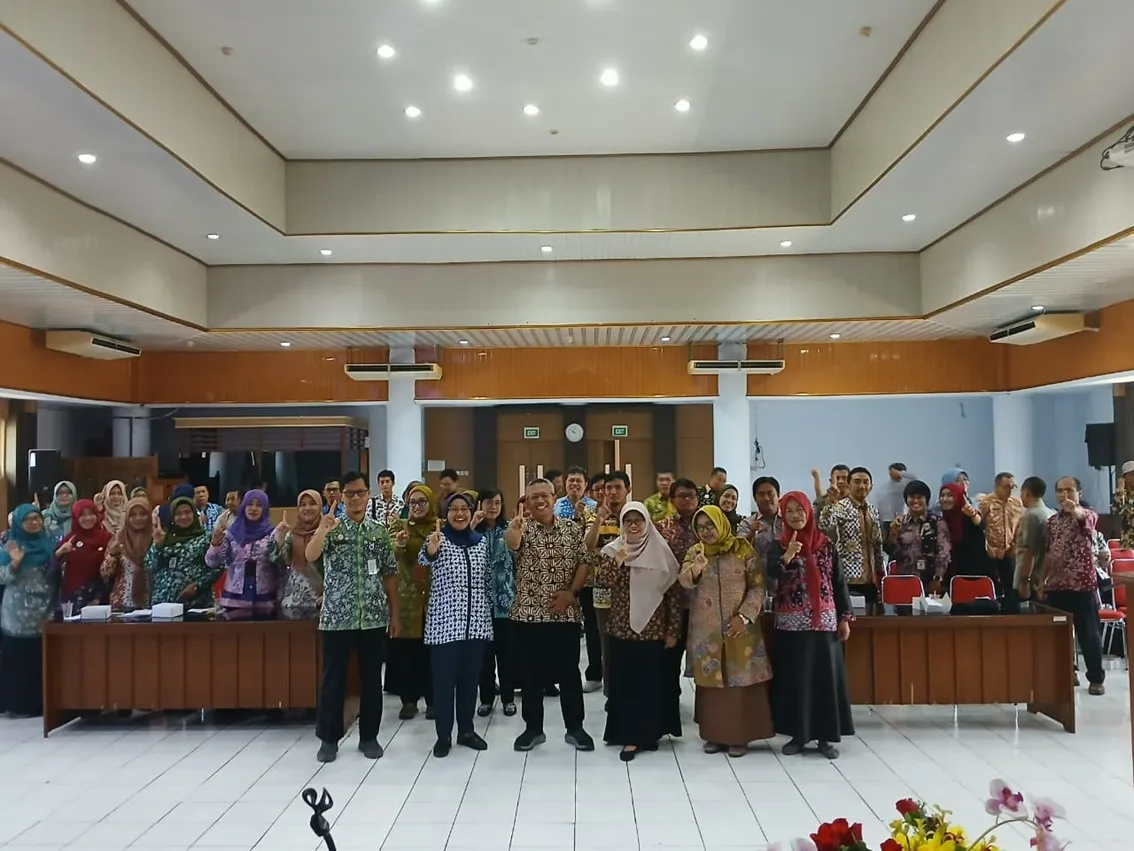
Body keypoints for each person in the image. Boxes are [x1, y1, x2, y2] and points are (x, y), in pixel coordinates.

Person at [307, 471, 399, 762]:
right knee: (333, 679)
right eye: (350, 494)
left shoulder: (378, 531)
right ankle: (328, 739)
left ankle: (369, 737)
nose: (356, 498)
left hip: (372, 616)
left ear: (368, 494)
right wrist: (322, 530)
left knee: (372, 680)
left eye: (360, 492)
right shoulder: (331, 527)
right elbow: (310, 555)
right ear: (341, 496)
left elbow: (389, 573)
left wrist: (395, 614)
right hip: (337, 617)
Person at [505, 478, 594, 752]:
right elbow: (512, 544)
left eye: (545, 495)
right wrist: (514, 530)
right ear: (527, 501)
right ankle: (533, 729)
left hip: (564, 615)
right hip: (528, 615)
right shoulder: (521, 527)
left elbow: (584, 561)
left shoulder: (571, 528)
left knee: (569, 674)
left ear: (554, 499)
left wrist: (572, 593)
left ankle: (575, 728)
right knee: (530, 676)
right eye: (534, 497)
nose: (540, 500)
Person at [678, 505, 773, 757]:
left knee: (739, 684)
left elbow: (757, 586)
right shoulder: (696, 552)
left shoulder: (742, 549)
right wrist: (696, 569)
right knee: (712, 686)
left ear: (721, 523)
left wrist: (744, 616)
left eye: (710, 525)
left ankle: (739, 737)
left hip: (739, 629)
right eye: (700, 527)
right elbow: (684, 581)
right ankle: (714, 735)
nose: (706, 531)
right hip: (706, 633)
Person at [766, 492, 855, 759]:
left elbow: (838, 582)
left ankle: (825, 737)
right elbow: (769, 580)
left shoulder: (826, 544)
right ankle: (799, 735)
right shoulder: (778, 545)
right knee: (797, 680)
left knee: (824, 679)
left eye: (800, 510)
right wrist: (787, 557)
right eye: (789, 510)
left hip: (824, 623)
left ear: (808, 511)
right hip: (791, 625)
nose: (795, 515)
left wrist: (845, 617)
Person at [596, 502, 682, 761]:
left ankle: (650, 733)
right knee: (625, 685)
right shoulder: (612, 550)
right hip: (621, 629)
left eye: (638, 520)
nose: (633, 525)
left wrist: (673, 630)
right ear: (622, 524)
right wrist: (618, 561)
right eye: (628, 521)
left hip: (654, 630)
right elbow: (603, 582)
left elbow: (673, 594)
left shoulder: (661, 551)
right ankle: (629, 735)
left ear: (647, 522)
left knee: (651, 685)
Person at [419, 493, 493, 757]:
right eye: (453, 509)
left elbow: (487, 579)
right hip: (444, 626)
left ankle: (466, 731)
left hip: (476, 624)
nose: (459, 514)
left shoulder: (480, 542)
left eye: (464, 509)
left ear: (471, 512)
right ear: (446, 513)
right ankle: (443, 736)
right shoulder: (438, 539)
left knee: (469, 681)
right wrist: (432, 548)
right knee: (443, 683)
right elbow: (424, 558)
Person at [1039, 476, 1105, 696]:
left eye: (1069, 490)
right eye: (1060, 490)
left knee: (1090, 636)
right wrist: (1041, 580)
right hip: (1056, 586)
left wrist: (1073, 508)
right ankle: (1068, 672)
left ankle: (1096, 679)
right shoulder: (1052, 521)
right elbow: (1049, 553)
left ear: (1079, 493)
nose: (1064, 495)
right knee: (1059, 636)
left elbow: (1082, 517)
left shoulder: (1088, 515)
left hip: (1082, 586)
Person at [0, 504, 58, 717]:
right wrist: (15, 563)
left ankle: (40, 705)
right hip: (17, 613)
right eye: (28, 519)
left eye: (37, 518)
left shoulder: (47, 544)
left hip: (44, 610)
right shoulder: (11, 546)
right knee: (18, 660)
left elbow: (54, 573)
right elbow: (2, 577)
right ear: (18, 523)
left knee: (38, 660)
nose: (34, 523)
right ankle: (18, 705)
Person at [387, 484, 436, 720]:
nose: (417, 506)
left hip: (434, 597)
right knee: (407, 652)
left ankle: (434, 700)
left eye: (422, 502)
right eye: (413, 502)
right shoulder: (400, 526)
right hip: (407, 599)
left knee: (432, 652)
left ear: (430, 503)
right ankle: (408, 701)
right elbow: (389, 552)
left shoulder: (439, 526)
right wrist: (399, 544)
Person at [584, 470, 631, 698]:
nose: (612, 492)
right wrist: (598, 521)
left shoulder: (635, 514)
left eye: (617, 487)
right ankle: (610, 693)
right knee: (606, 641)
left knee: (630, 639)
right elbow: (588, 545)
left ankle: (629, 689)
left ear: (628, 490)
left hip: (630, 588)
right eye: (608, 488)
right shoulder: (594, 515)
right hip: (602, 587)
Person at [657, 477, 699, 712]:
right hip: (672, 604)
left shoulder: (707, 524)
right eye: (682, 496)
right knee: (669, 658)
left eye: (691, 495)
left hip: (703, 604)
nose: (687, 500)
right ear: (672, 500)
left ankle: (705, 709)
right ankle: (669, 706)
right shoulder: (661, 528)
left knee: (705, 658)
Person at [475, 489, 517, 717]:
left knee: (507, 655)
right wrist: (472, 526)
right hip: (480, 605)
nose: (493, 507)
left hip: (506, 603)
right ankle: (486, 699)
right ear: (479, 504)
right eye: (489, 502)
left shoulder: (509, 529)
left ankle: (508, 699)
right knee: (484, 657)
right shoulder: (473, 532)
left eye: (498, 503)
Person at [206, 489, 280, 619]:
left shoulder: (272, 534)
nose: (253, 508)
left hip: (265, 601)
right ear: (243, 506)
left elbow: (280, 564)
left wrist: (281, 541)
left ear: (265, 509)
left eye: (259, 505)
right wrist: (215, 544)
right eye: (249, 504)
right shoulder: (231, 535)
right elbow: (212, 562)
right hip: (234, 602)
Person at [819, 467, 884, 613]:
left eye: (866, 482)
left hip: (870, 579)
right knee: (848, 618)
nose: (862, 486)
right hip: (846, 578)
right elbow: (824, 525)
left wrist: (880, 572)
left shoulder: (873, 510)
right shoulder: (840, 507)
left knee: (873, 618)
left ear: (871, 486)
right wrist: (829, 503)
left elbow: (877, 543)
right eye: (857, 481)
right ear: (849, 485)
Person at [150, 496, 219, 608]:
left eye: (187, 512)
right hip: (163, 602)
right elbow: (149, 565)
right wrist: (157, 545)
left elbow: (217, 567)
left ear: (194, 514)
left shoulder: (206, 538)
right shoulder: (164, 538)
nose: (183, 517)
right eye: (178, 514)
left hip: (195, 602)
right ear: (172, 517)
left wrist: (198, 585)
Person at [884, 481, 950, 592]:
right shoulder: (899, 522)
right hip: (905, 581)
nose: (915, 501)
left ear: (926, 500)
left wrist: (937, 578)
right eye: (912, 497)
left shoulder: (937, 522)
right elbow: (891, 551)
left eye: (919, 497)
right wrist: (893, 534)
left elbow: (944, 553)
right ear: (906, 500)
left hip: (931, 582)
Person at [274, 489, 325, 620]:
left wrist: (328, 594)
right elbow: (281, 562)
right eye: (302, 505)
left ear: (320, 506)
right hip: (294, 602)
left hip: (322, 602)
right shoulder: (292, 534)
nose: (307, 508)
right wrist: (279, 538)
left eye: (312, 504)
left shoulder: (327, 533)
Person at [979, 473, 1024, 611]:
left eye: (1012, 487)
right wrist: (987, 546)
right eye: (1006, 487)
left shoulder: (1017, 503)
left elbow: (1019, 527)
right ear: (997, 486)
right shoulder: (985, 502)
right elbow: (980, 527)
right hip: (989, 552)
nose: (1009, 490)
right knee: (991, 588)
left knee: (1011, 588)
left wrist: (1014, 546)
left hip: (1009, 551)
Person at [55, 499, 111, 609]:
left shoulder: (106, 538)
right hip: (73, 598)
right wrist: (59, 553)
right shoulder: (70, 540)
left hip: (100, 597)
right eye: (82, 515)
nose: (88, 518)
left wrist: (99, 595)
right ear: (76, 517)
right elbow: (52, 568)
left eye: (91, 513)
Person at [100, 496, 153, 610]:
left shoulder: (157, 538)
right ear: (127, 517)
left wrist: (159, 546)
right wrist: (112, 555)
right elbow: (105, 574)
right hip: (121, 603)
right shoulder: (118, 539)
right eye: (132, 515)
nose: (138, 518)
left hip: (152, 603)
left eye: (143, 514)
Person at [1015, 476, 1055, 601]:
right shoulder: (1051, 512)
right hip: (1046, 574)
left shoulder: (1032, 515)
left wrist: (1024, 581)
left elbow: (1029, 551)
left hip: (1032, 577)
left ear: (1026, 492)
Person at [938, 482, 987, 580]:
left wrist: (973, 515)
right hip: (948, 575)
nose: (945, 499)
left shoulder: (968, 516)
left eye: (950, 495)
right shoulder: (939, 520)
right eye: (942, 495)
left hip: (973, 574)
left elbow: (982, 525)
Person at [739, 476, 784, 562]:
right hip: (758, 570)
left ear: (778, 495)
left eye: (770, 493)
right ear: (755, 498)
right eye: (761, 494)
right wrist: (751, 533)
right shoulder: (747, 523)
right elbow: (739, 550)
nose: (766, 498)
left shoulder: (789, 520)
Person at [1111, 460, 1134, 549]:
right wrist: (1120, 489)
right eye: (1132, 474)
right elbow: (1118, 510)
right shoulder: (1121, 495)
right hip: (1128, 542)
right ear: (1124, 477)